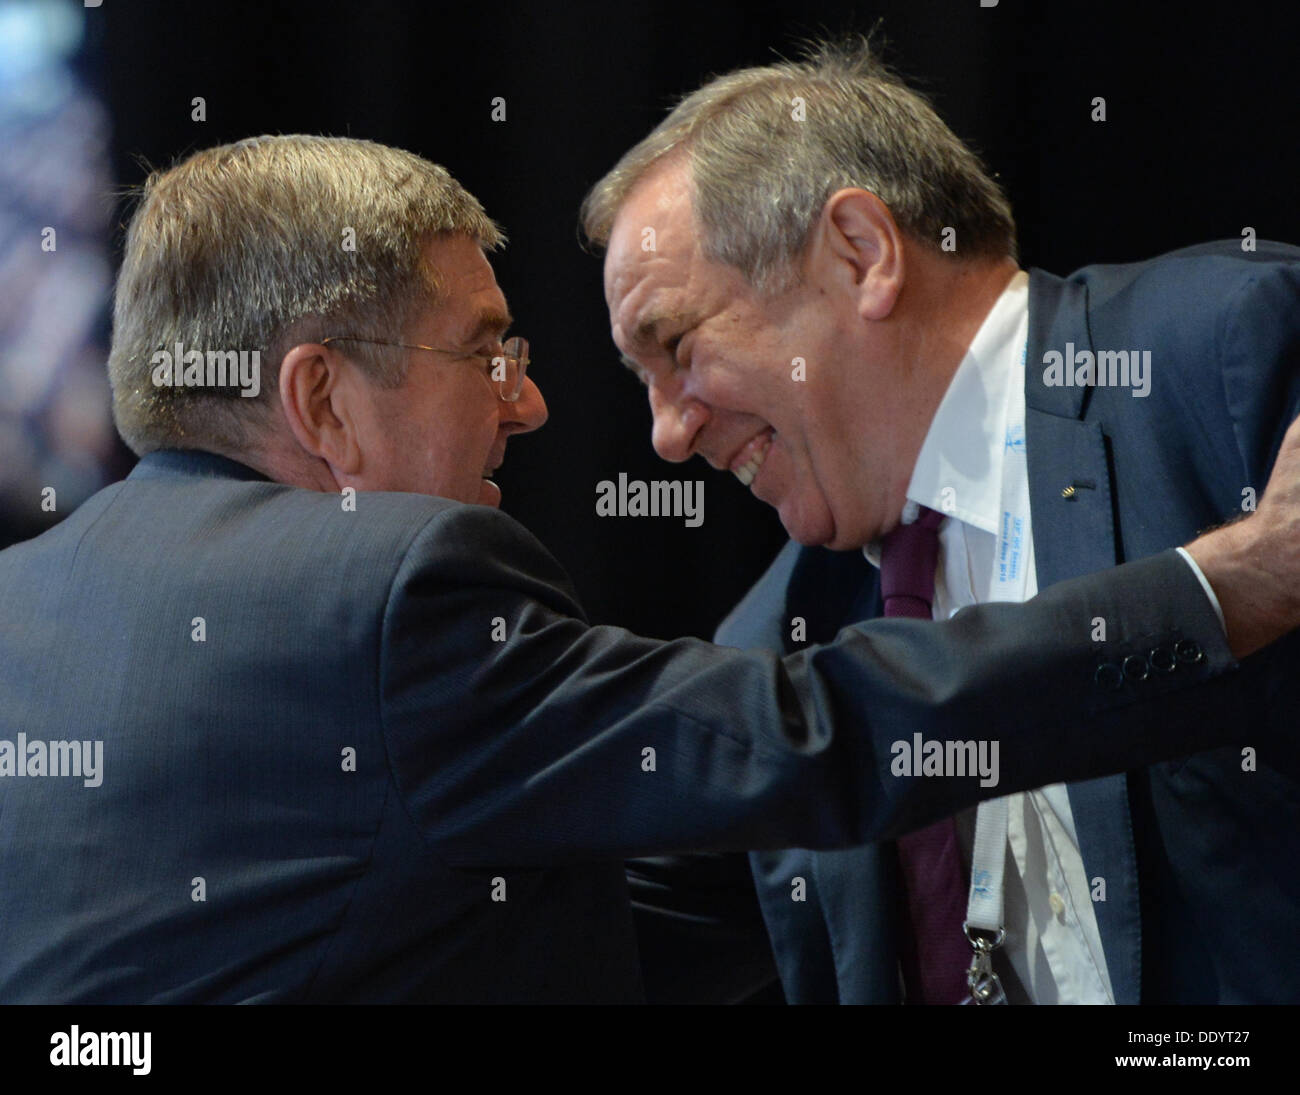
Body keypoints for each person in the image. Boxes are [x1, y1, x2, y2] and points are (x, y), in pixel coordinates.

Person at [0, 136, 1295, 1004]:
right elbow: (813, 735)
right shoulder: (388, 595)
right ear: (322, 402)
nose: (538, 406)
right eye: (487, 353)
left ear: (861, 254)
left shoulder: (24, 612)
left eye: (676, 342)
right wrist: (1226, 585)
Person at [582, 37, 1300, 1003]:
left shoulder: (1224, 356)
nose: (668, 435)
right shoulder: (772, 639)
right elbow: (588, 948)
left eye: (675, 345)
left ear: (861, 253)